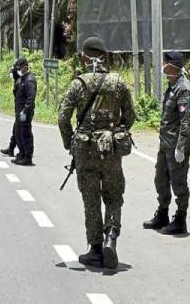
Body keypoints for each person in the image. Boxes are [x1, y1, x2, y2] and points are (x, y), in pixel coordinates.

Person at [58, 36, 135, 269]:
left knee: (91, 200)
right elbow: (130, 115)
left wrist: (69, 142)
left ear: (84, 56)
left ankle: (95, 249)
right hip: (111, 149)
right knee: (113, 196)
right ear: (104, 56)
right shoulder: (118, 82)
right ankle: (111, 238)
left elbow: (63, 117)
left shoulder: (78, 83)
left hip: (85, 152)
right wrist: (116, 130)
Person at [143, 51, 190, 235]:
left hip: (176, 146)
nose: (163, 66)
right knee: (160, 179)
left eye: (165, 63)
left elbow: (185, 122)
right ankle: (162, 214)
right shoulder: (172, 86)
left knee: (179, 183)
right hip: (165, 143)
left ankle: (180, 220)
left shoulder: (184, 89)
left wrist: (181, 147)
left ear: (172, 66)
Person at [1, 57, 37, 165]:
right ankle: (21, 154)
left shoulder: (30, 79)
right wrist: (14, 72)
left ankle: (28, 157)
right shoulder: (22, 78)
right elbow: (16, 90)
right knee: (18, 133)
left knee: (25, 134)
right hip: (19, 111)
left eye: (20, 67)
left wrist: (25, 111)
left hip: (25, 112)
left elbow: (31, 97)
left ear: (25, 66)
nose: (19, 69)